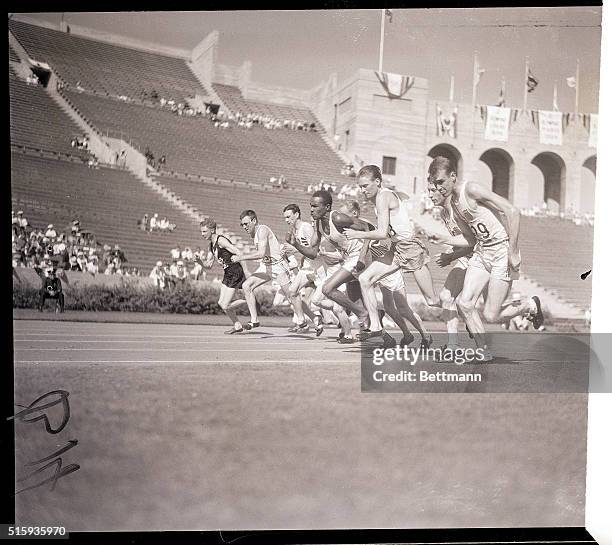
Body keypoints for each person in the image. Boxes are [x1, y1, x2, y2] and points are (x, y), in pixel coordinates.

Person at [425, 156, 544, 359]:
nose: (438, 187)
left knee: (491, 315)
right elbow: (471, 240)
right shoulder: (452, 204)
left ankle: (529, 305)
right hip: (482, 252)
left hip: (501, 252)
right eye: (434, 184)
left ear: (453, 176)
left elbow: (512, 211)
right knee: (464, 303)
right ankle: (483, 351)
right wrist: (444, 239)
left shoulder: (470, 189)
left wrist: (513, 251)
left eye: (441, 182)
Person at [345, 165, 440, 344]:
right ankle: (375, 326)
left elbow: (381, 233)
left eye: (365, 186)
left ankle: (462, 307)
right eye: (360, 187)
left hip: (410, 249)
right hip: (396, 249)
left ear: (377, 182)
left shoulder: (383, 197)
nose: (362, 190)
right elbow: (388, 233)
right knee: (365, 279)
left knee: (433, 301)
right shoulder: (379, 200)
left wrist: (358, 234)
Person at [426, 182, 475, 352]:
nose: (430, 195)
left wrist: (451, 255)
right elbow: (461, 240)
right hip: (466, 258)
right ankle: (453, 345)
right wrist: (452, 249)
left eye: (433, 191)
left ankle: (529, 306)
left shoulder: (458, 209)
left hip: (483, 259)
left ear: (444, 190)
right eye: (429, 191)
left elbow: (473, 242)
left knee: (494, 312)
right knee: (446, 297)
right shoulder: (444, 211)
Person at [230, 210, 294, 330]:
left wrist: (241, 257)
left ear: (254, 221)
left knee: (292, 297)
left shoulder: (262, 230)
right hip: (267, 266)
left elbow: (260, 253)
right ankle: (255, 320)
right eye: (242, 225)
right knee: (246, 286)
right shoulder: (254, 234)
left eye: (246, 223)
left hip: (278, 265)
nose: (244, 227)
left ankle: (314, 318)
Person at [199, 218, 248, 334]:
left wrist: (246, 270)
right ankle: (237, 326)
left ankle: (248, 299)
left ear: (212, 230)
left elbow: (238, 252)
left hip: (236, 272)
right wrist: (199, 262)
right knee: (221, 303)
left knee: (225, 304)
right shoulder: (211, 246)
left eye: (204, 231)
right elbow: (209, 265)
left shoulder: (221, 241)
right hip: (227, 274)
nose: (202, 234)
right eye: (201, 232)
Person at [281, 204, 323, 335]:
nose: (287, 220)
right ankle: (304, 320)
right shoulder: (295, 230)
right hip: (306, 268)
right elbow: (304, 251)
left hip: (318, 268)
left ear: (297, 214)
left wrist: (295, 249)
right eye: (285, 218)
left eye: (289, 217)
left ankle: (357, 322)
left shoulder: (306, 227)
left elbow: (316, 249)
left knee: (329, 301)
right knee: (292, 292)